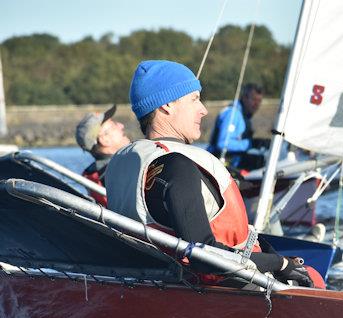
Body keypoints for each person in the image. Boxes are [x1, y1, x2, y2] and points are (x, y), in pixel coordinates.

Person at [104, 60, 318, 288]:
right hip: (226, 289)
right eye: (194, 99)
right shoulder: (177, 165)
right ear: (166, 105)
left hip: (154, 283)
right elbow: (203, 254)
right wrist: (280, 264)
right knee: (314, 276)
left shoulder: (120, 164)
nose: (203, 109)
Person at [75, 105, 130, 205]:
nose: (121, 125)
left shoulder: (94, 172)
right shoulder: (122, 170)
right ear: (105, 140)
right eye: (114, 125)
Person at [207, 82, 266, 169]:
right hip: (217, 165)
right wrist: (251, 143)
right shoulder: (232, 114)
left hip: (232, 164)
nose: (256, 104)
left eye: (259, 101)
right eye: (253, 99)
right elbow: (223, 143)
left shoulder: (244, 115)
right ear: (244, 98)